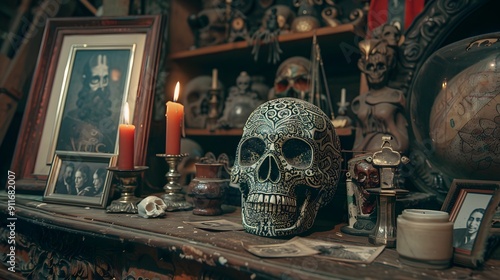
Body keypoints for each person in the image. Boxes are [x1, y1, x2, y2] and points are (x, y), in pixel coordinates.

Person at [57, 53, 117, 154]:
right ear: (86, 80)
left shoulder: (113, 124)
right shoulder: (69, 121)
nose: (101, 86)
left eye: (105, 79)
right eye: (95, 79)